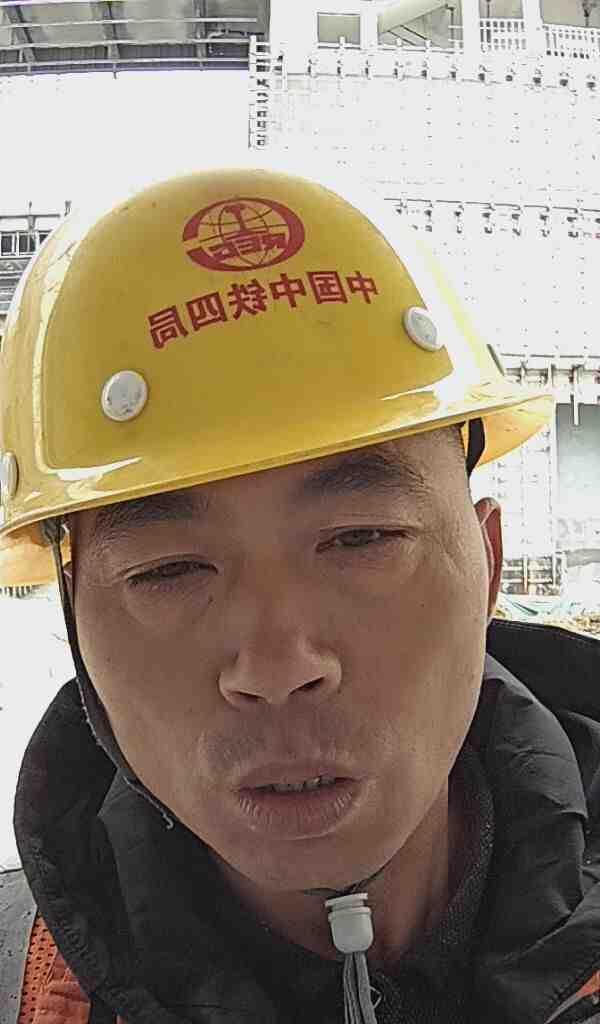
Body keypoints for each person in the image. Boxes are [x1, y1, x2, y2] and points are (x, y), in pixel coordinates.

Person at [0, 164, 598, 1024]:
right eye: (168, 570)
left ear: (489, 561)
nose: (278, 668)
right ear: (75, 622)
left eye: (361, 539)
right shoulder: (26, 983)